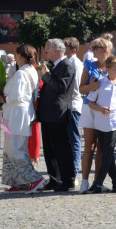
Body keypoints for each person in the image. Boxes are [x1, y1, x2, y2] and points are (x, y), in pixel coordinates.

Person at [0, 44, 45, 193]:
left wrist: (2, 98)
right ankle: (19, 181)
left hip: (18, 114)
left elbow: (17, 96)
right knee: (14, 148)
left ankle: (34, 178)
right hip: (21, 114)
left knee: (15, 149)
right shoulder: (32, 71)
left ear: (19, 56)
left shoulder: (22, 73)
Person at [86, 55, 116, 193]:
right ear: (107, 69)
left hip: (115, 122)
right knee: (108, 153)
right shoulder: (100, 83)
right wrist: (100, 109)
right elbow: (90, 102)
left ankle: (97, 183)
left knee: (108, 152)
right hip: (100, 122)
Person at [38, 39, 77, 192]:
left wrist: (46, 76)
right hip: (48, 114)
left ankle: (67, 180)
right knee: (49, 150)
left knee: (61, 149)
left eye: (47, 51)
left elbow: (62, 87)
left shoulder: (67, 65)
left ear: (55, 50)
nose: (45, 53)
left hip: (58, 114)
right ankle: (54, 179)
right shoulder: (55, 66)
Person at [64, 37, 83, 183]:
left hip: (73, 105)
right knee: (67, 141)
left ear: (73, 50)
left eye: (66, 48)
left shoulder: (76, 64)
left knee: (74, 140)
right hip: (67, 105)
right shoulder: (68, 63)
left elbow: (75, 88)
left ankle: (74, 172)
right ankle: (68, 171)